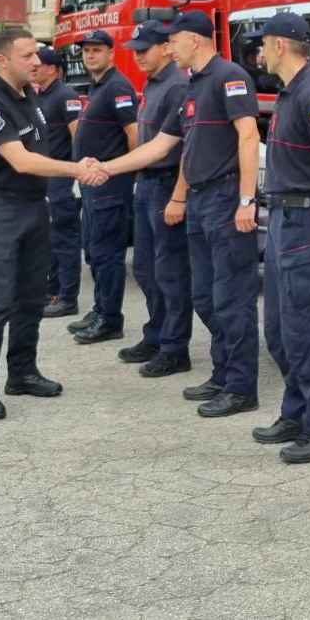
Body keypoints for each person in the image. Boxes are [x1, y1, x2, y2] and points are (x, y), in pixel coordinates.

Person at [102, 10, 261, 418]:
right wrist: (106, 168)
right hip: (199, 199)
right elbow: (160, 147)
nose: (169, 47)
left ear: (195, 39)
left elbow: (248, 135)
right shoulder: (192, 87)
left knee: (232, 297)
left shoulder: (230, 77)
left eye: (174, 40)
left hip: (226, 197)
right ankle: (223, 374)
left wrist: (247, 200)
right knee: (205, 295)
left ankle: (241, 386)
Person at [0, 27, 106, 419]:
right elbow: (21, 160)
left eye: (37, 55)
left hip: (31, 206)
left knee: (30, 297)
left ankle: (22, 371)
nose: (36, 61)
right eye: (27, 55)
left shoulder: (28, 94)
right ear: (2, 60)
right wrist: (77, 169)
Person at [246, 12, 310, 463]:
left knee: (306, 330)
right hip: (283, 220)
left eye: (263, 43)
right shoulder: (290, 92)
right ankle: (297, 411)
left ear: (281, 45)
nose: (259, 52)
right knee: (279, 328)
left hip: (304, 221)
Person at [116, 20, 194, 376]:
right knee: (146, 267)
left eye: (144, 50)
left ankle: (175, 347)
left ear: (166, 48)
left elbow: (186, 147)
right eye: (135, 51)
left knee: (170, 270)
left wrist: (179, 195)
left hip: (166, 182)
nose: (138, 56)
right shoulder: (153, 82)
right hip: (147, 182)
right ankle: (157, 334)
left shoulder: (178, 86)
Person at [70, 29, 139, 344]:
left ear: (111, 53)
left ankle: (110, 319)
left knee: (107, 253)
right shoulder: (99, 87)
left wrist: (131, 173)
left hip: (110, 184)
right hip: (92, 185)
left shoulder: (117, 86)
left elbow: (134, 135)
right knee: (95, 251)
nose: (90, 55)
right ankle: (101, 309)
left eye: (97, 50)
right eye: (86, 50)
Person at [33, 46, 83, 319]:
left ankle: (67, 297)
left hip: (62, 178)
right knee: (49, 239)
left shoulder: (65, 95)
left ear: (52, 69)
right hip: (44, 177)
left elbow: (79, 138)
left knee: (65, 238)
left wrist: (77, 174)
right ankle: (51, 291)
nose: (33, 67)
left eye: (38, 63)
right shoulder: (40, 96)